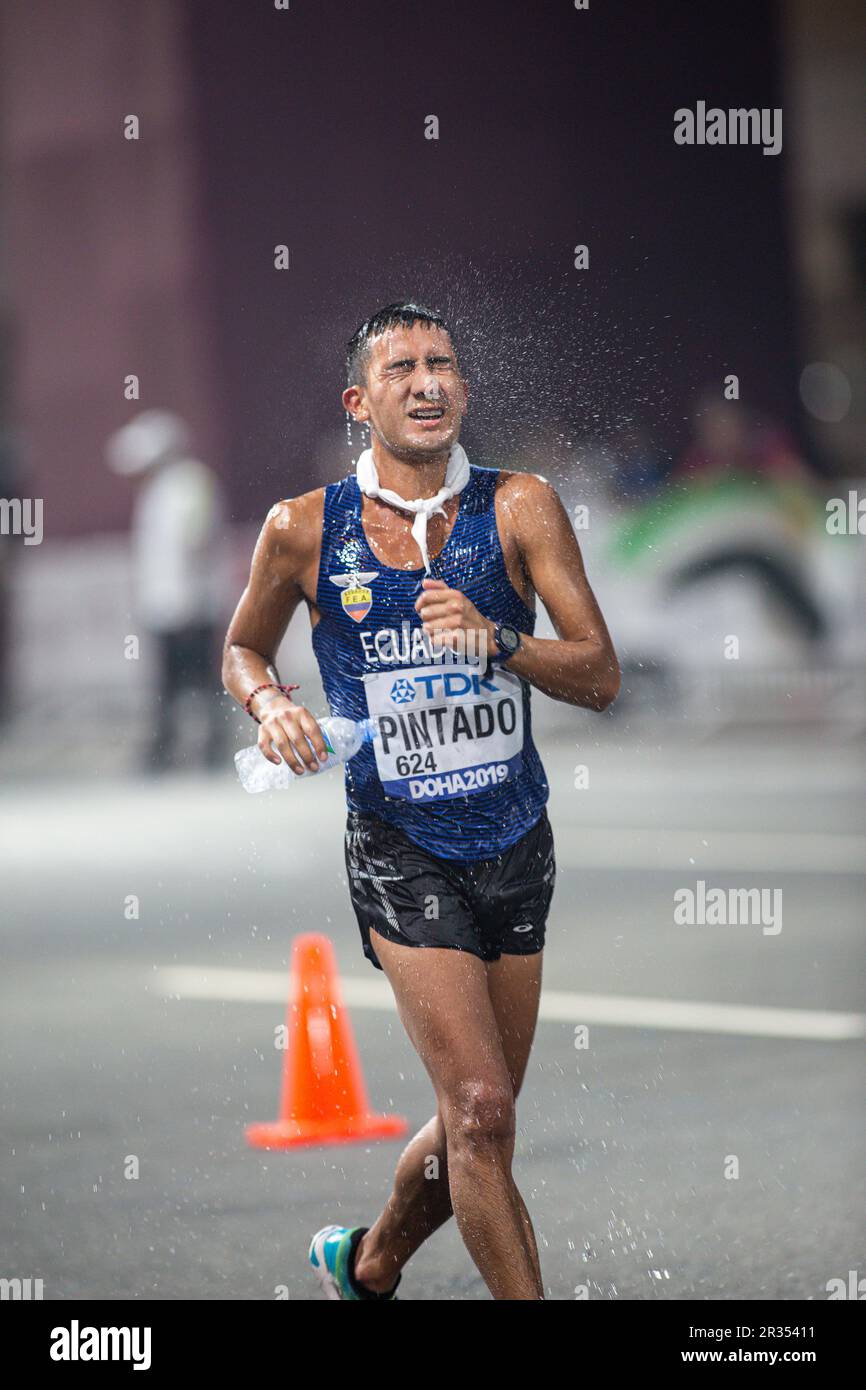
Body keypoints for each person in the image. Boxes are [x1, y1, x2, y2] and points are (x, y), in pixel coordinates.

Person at [222, 302, 620, 1301]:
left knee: (475, 1122)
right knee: (481, 1108)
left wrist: (497, 641)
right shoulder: (303, 527)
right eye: (400, 368)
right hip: (401, 845)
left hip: (516, 838)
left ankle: (366, 1264)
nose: (426, 381)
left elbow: (601, 675)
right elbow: (240, 648)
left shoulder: (519, 505)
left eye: (440, 364)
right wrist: (269, 702)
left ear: (465, 391)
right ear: (361, 401)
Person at [106, 409, 229, 770]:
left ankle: (210, 750)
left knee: (203, 684)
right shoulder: (158, 491)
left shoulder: (191, 484)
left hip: (190, 606)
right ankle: (168, 750)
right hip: (163, 607)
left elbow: (197, 541)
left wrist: (192, 596)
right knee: (167, 687)